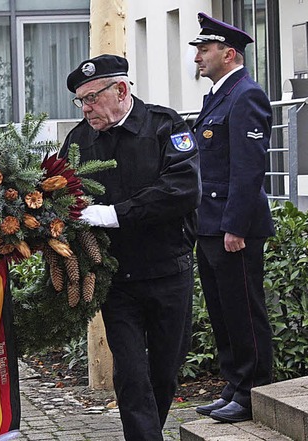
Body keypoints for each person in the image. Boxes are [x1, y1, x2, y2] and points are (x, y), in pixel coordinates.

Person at [60, 54, 201, 440]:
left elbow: (183, 189)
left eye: (91, 98)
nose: (86, 108)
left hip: (168, 271)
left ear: (120, 90)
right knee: (132, 373)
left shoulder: (164, 126)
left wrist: (114, 214)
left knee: (164, 370)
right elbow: (58, 192)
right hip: (117, 279)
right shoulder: (79, 139)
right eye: (80, 101)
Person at [189, 12, 274, 423]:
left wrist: (235, 226)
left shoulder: (246, 95)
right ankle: (233, 386)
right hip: (211, 224)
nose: (197, 58)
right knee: (222, 311)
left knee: (243, 310)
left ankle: (254, 389)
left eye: (204, 50)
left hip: (232, 227)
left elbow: (248, 168)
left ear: (230, 53)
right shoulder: (220, 96)